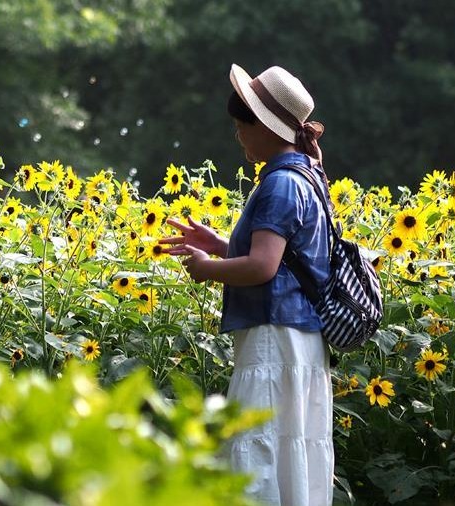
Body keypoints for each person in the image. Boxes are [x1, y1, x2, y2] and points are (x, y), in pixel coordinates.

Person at [159, 64, 334, 506]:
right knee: (291, 457)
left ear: (268, 128)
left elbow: (262, 267)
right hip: (300, 342)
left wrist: (205, 268)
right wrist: (220, 245)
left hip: (273, 341)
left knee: (258, 453)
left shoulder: (279, 183)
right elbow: (283, 258)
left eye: (243, 126)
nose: (239, 136)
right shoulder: (306, 178)